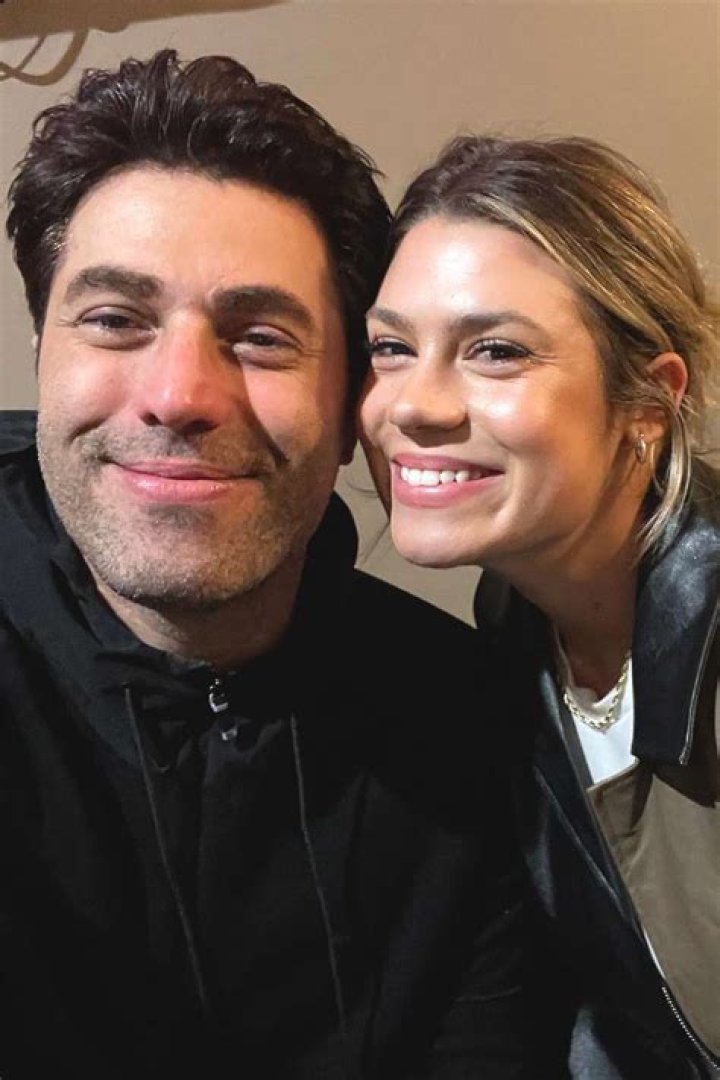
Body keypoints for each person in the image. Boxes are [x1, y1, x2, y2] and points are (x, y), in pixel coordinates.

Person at [0, 50, 563, 1080]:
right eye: (116, 321)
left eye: (260, 337)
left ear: (351, 406)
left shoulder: (474, 733)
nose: (180, 395)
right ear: (44, 352)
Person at [360, 134, 719, 1078]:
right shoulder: (516, 623)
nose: (413, 405)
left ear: (648, 402)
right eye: (391, 348)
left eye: (496, 351)